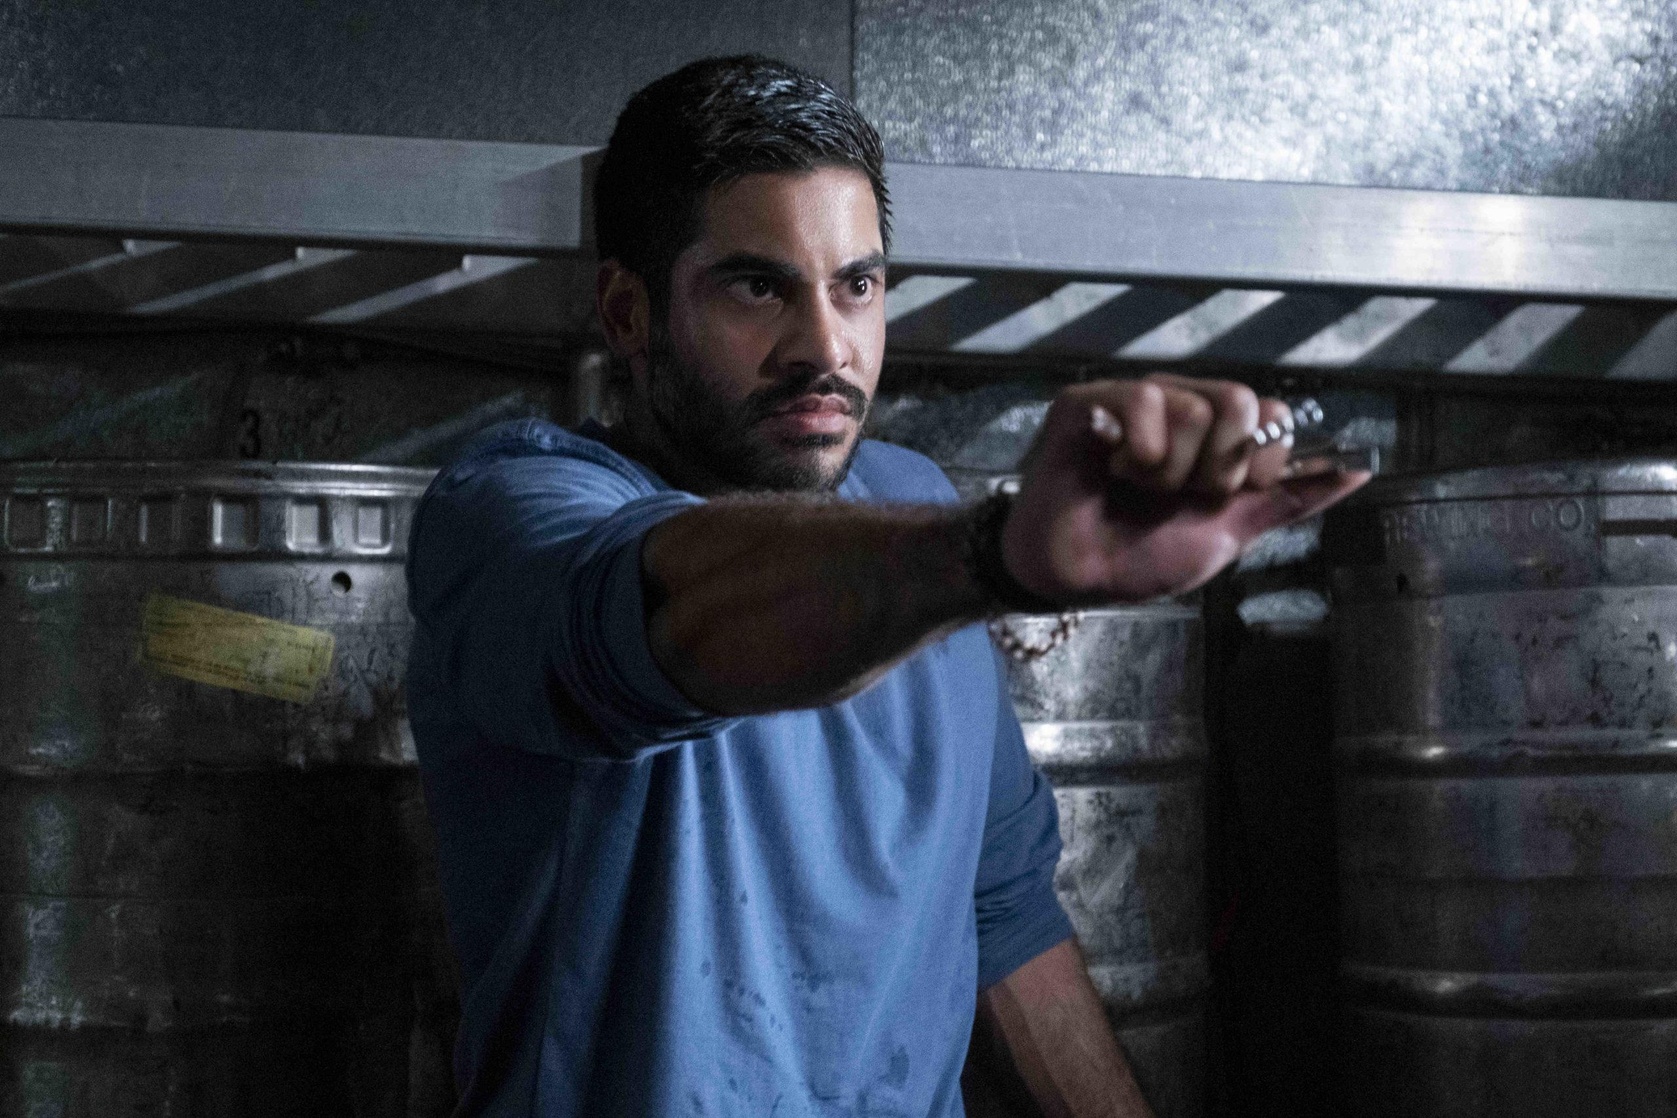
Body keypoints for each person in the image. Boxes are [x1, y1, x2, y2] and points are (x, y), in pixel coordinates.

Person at [405, 55, 1366, 1117]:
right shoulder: (509, 515)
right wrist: (988, 560)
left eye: (855, 286)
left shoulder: (915, 504)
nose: (824, 347)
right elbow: (662, 614)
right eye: (757, 286)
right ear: (628, 314)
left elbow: (1001, 914)